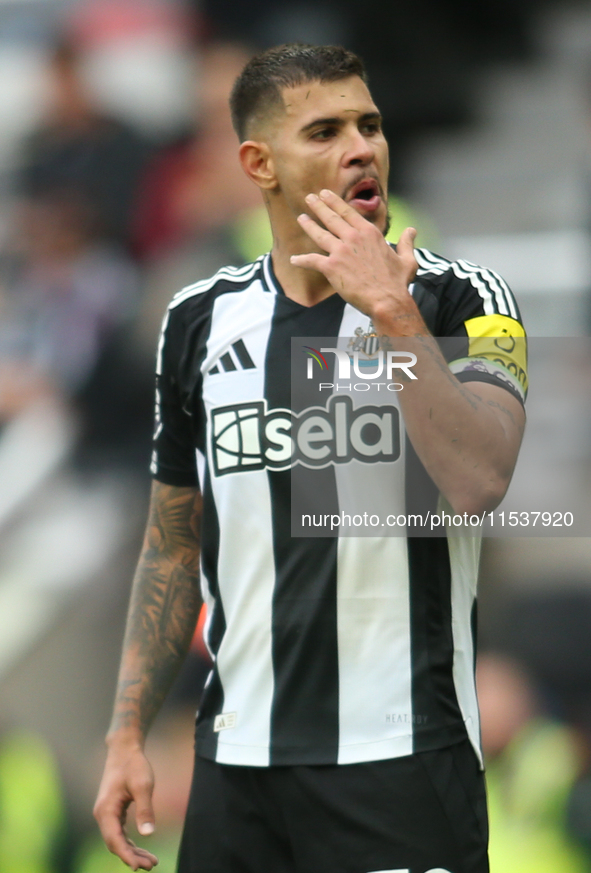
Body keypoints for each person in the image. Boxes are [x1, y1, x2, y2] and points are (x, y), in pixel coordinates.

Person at [94, 44, 527, 873]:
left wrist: (391, 314)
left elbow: (479, 482)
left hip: (401, 763)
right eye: (325, 131)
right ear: (259, 164)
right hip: (237, 770)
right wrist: (125, 733)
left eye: (368, 124)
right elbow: (173, 543)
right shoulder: (196, 321)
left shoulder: (466, 300)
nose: (361, 146)